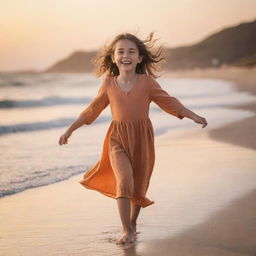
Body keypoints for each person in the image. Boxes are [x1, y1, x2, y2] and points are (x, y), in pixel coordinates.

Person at [58, 32, 208, 245]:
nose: (125, 55)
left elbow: (170, 103)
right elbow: (92, 110)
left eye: (131, 51)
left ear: (139, 58)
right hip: (117, 139)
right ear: (113, 58)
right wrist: (70, 130)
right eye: (120, 51)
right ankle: (126, 229)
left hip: (142, 140)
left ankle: (133, 223)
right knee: (125, 180)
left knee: (138, 186)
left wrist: (193, 116)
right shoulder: (109, 84)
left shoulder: (147, 82)